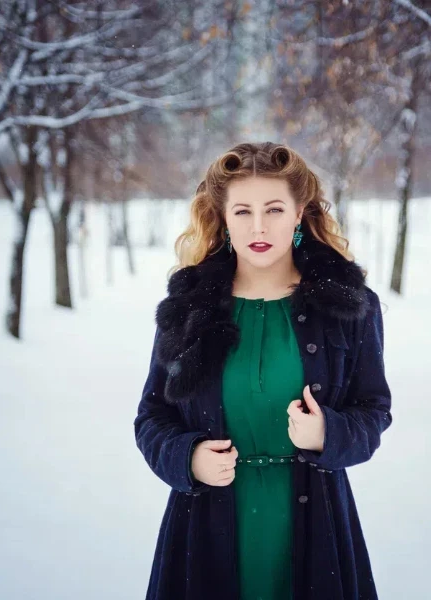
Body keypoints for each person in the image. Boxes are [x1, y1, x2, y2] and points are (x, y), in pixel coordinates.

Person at [134, 142, 392, 600]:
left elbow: (373, 411)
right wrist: (187, 458)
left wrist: (327, 434)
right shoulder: (189, 308)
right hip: (204, 526)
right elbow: (152, 417)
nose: (258, 227)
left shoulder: (348, 307)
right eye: (243, 211)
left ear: (299, 215)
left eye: (274, 209)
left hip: (316, 529)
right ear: (223, 218)